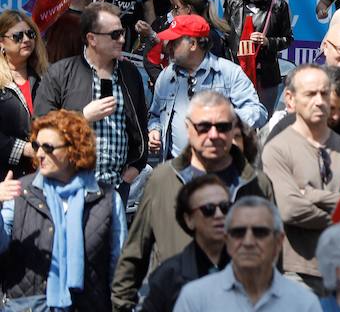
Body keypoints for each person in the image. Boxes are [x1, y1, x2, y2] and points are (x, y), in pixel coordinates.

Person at [112, 91, 275, 310]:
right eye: (204, 127)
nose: (213, 134)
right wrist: (122, 306)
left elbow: (273, 256)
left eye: (223, 127)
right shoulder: (163, 179)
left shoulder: (257, 183)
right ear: (188, 128)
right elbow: (135, 255)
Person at [0, 110, 127, 311]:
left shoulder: (107, 198)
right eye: (36, 146)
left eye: (48, 147)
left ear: (74, 149)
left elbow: (120, 267)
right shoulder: (19, 192)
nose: (39, 153)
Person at [261, 65, 340, 294]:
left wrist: (313, 195)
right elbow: (291, 210)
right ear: (290, 98)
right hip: (297, 274)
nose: (319, 101)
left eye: (324, 93)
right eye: (310, 94)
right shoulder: (277, 148)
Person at [34, 2, 148, 194]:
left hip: (116, 187)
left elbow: (141, 126)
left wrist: (136, 168)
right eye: (114, 34)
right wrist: (82, 116)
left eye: (122, 32)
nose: (122, 39)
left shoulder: (130, 74)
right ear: (91, 39)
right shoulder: (61, 73)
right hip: (70, 186)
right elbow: (40, 126)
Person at [148, 14, 267, 160]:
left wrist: (223, 123)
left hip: (220, 170)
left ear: (192, 44)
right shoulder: (166, 76)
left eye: (175, 42)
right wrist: (154, 130)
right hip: (177, 171)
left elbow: (258, 112)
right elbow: (154, 115)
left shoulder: (229, 73)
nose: (168, 46)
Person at [173, 196, 321, 312]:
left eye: (260, 232)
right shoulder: (195, 299)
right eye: (238, 233)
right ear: (227, 240)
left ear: (278, 241)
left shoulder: (304, 304)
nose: (248, 242)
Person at [141, 174, 232, 312]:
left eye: (225, 207)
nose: (219, 215)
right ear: (189, 219)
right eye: (209, 209)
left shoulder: (250, 270)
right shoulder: (168, 276)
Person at [224, 0, 293, 114]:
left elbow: (288, 38)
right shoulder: (233, 3)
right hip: (238, 76)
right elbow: (225, 37)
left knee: (262, 122)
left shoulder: (278, 5)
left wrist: (268, 42)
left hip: (266, 77)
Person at [0, 11, 47, 178]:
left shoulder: (45, 77)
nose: (26, 39)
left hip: (43, 175)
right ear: (1, 42)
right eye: (18, 36)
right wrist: (25, 149)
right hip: (6, 177)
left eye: (30, 34)